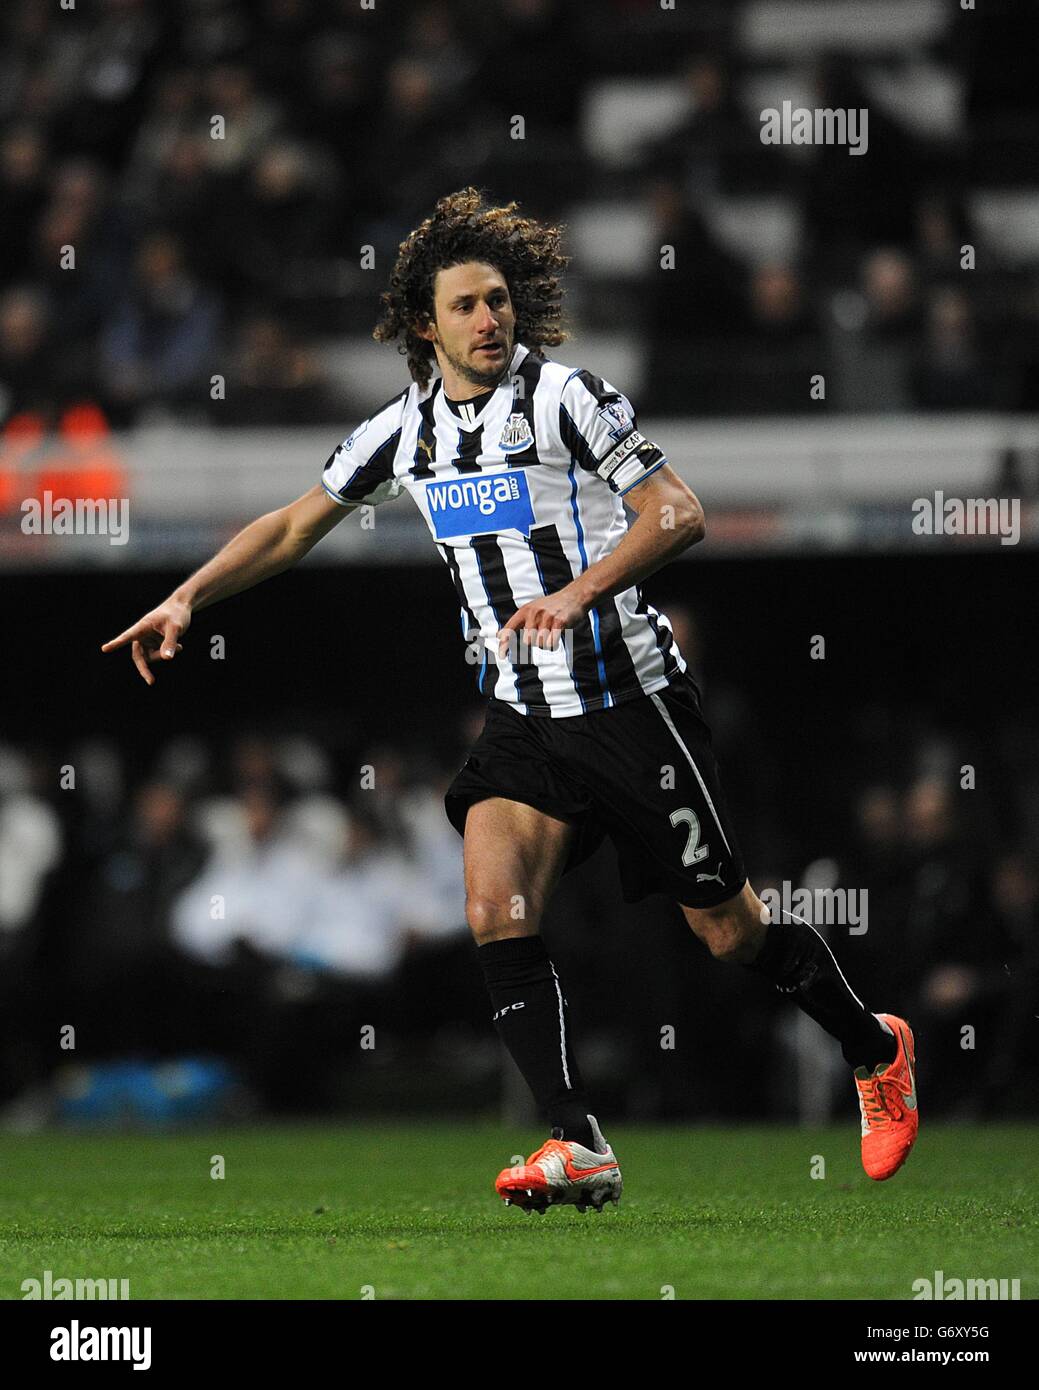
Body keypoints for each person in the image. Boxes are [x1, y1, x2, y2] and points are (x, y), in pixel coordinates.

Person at [102, 187, 918, 1213]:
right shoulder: (404, 433)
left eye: (499, 301)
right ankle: (575, 1140)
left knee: (727, 932)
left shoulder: (567, 397)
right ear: (422, 325)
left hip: (632, 703)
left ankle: (871, 1044)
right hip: (524, 717)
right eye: (467, 306)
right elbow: (292, 524)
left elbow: (679, 511)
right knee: (492, 900)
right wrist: (186, 593)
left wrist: (576, 593)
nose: (490, 320)